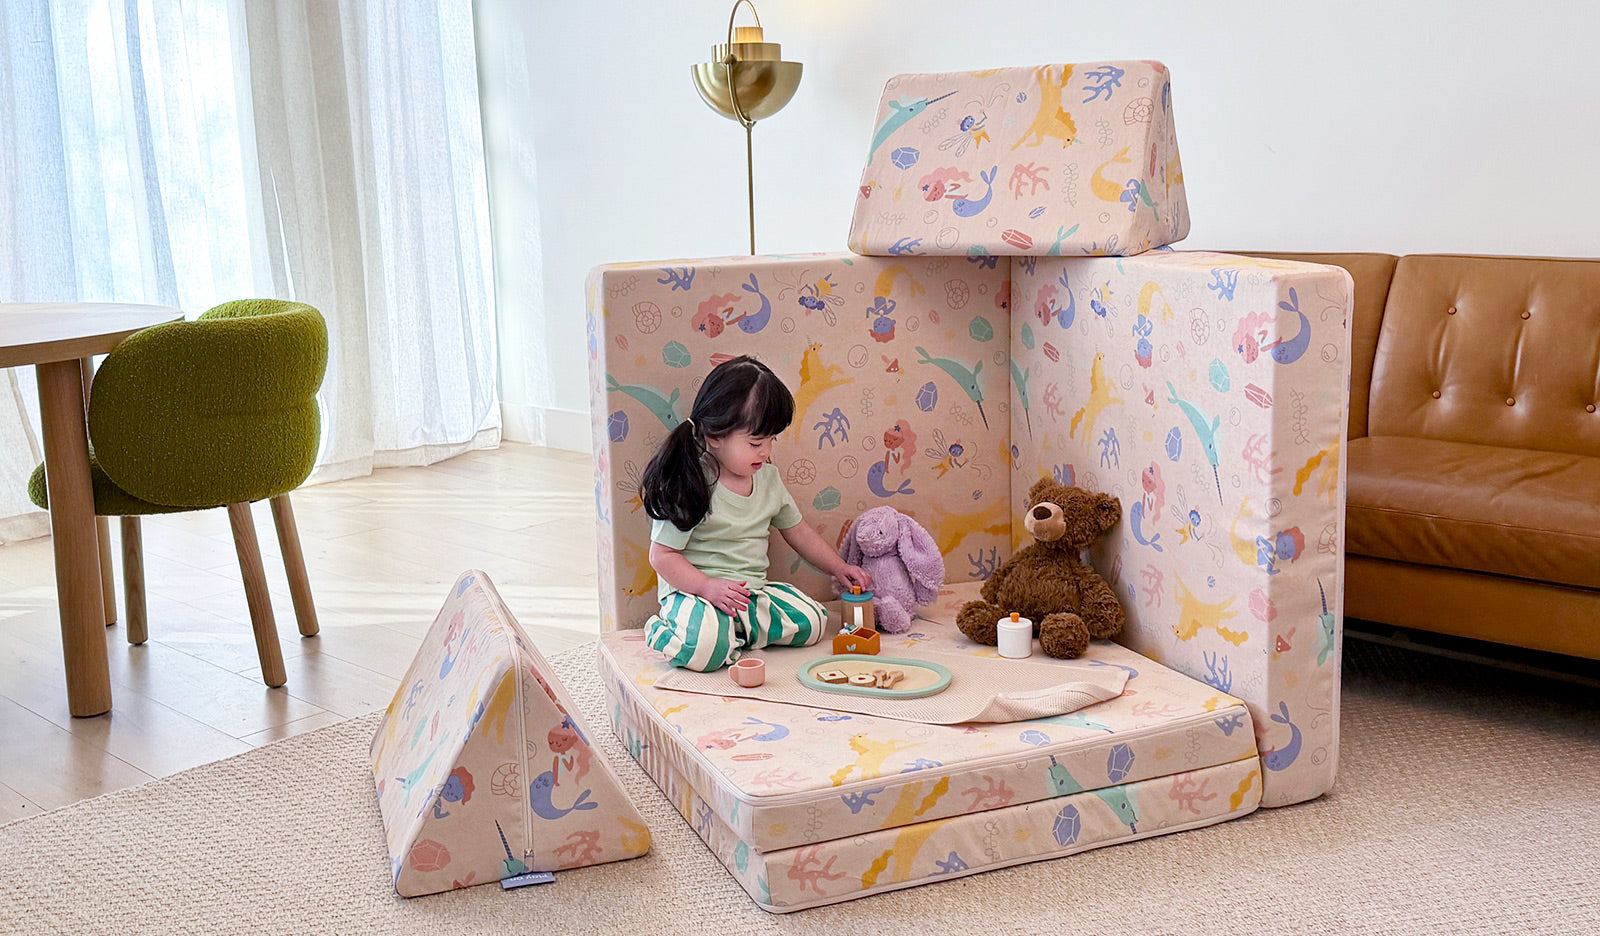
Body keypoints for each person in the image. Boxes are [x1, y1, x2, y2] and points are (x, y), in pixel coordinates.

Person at [640, 356, 872, 671]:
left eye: (771, 440)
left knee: (815, 621)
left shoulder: (769, 479)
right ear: (714, 436)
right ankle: (668, 632)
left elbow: (798, 531)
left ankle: (734, 634)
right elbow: (662, 555)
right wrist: (707, 587)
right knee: (703, 651)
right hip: (696, 595)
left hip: (750, 595)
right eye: (756, 442)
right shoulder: (691, 481)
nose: (767, 452)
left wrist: (838, 567)